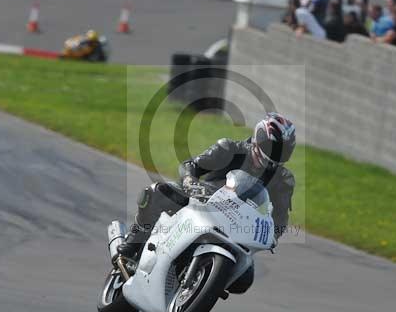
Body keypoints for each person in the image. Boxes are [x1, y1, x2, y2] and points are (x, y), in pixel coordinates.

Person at [116, 113, 297, 277]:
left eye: (282, 150)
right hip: (201, 200)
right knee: (156, 192)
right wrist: (189, 180)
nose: (275, 154)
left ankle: (205, 281)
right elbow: (191, 165)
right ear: (258, 138)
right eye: (271, 146)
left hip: (238, 223)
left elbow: (280, 217)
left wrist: (273, 236)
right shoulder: (229, 149)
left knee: (244, 278)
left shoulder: (283, 180)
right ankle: (134, 242)